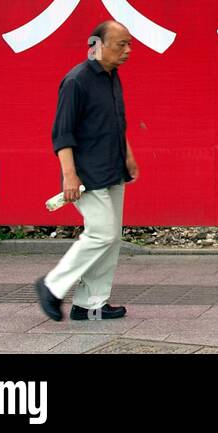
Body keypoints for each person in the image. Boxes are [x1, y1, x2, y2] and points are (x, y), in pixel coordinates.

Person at [34, 20, 140, 321]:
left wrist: (128, 156)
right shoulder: (76, 81)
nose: (128, 51)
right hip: (87, 174)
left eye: (129, 44)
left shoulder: (112, 77)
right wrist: (69, 174)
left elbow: (116, 122)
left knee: (111, 238)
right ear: (97, 45)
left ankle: (90, 303)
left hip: (113, 169)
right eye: (121, 44)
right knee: (102, 233)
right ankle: (52, 286)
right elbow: (62, 133)